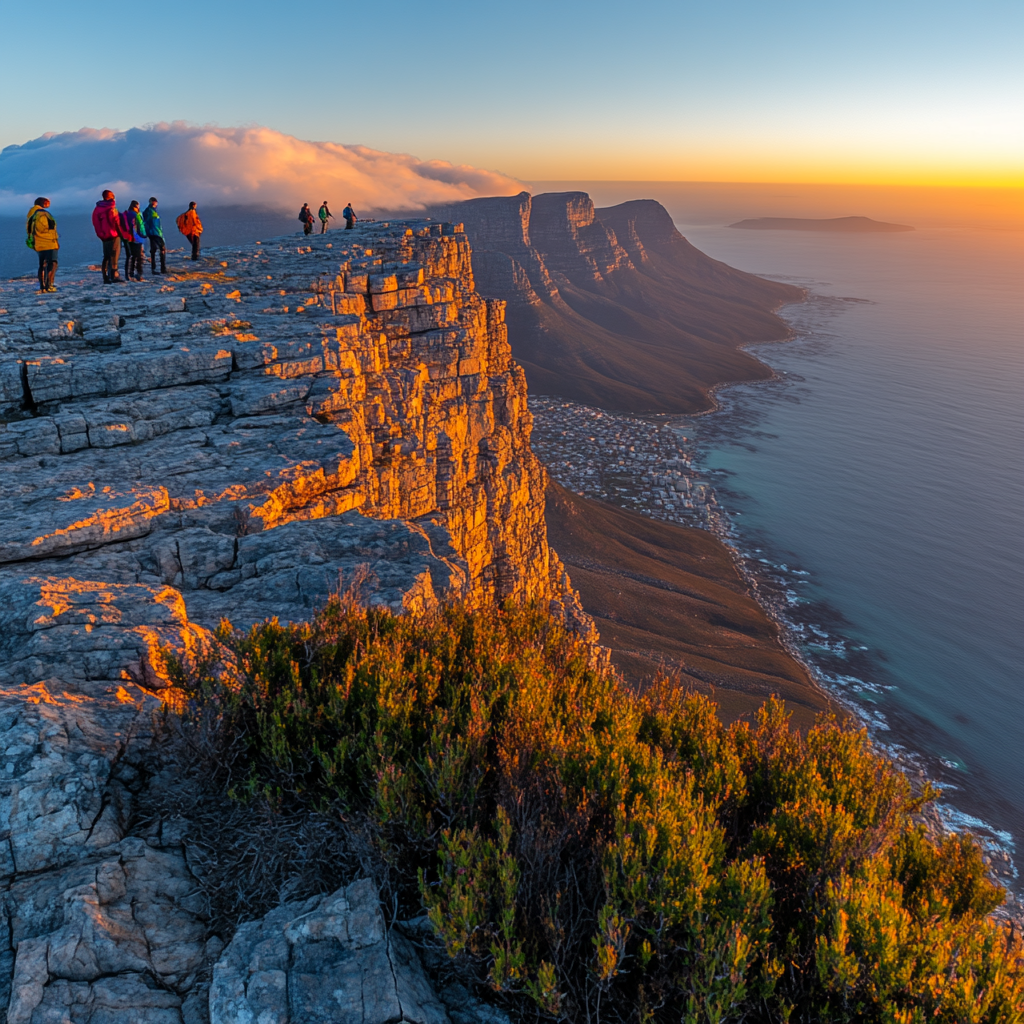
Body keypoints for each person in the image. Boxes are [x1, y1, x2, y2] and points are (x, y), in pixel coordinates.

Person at [26, 197, 59, 293]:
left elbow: (29, 229)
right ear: (43, 203)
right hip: (49, 242)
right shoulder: (43, 214)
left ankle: (42, 285)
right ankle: (49, 284)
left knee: (42, 264)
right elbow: (47, 229)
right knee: (52, 263)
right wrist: (55, 240)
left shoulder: (31, 214)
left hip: (38, 243)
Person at [92, 190, 123, 283]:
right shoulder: (112, 208)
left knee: (106, 256)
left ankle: (105, 276)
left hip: (104, 236)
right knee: (114, 255)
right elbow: (116, 222)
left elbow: (96, 223)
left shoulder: (97, 209)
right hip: (114, 235)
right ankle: (114, 275)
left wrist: (101, 234)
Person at [120, 201, 147, 281]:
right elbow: (140, 227)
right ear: (136, 206)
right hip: (136, 238)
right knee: (139, 257)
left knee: (131, 256)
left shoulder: (126, 214)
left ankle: (130, 273)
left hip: (128, 238)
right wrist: (144, 235)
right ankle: (139, 273)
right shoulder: (136, 215)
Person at [142, 197, 166, 274]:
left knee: (154, 249)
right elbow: (151, 222)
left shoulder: (149, 211)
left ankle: (154, 268)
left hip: (153, 232)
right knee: (161, 249)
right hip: (155, 232)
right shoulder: (150, 211)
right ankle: (162, 268)